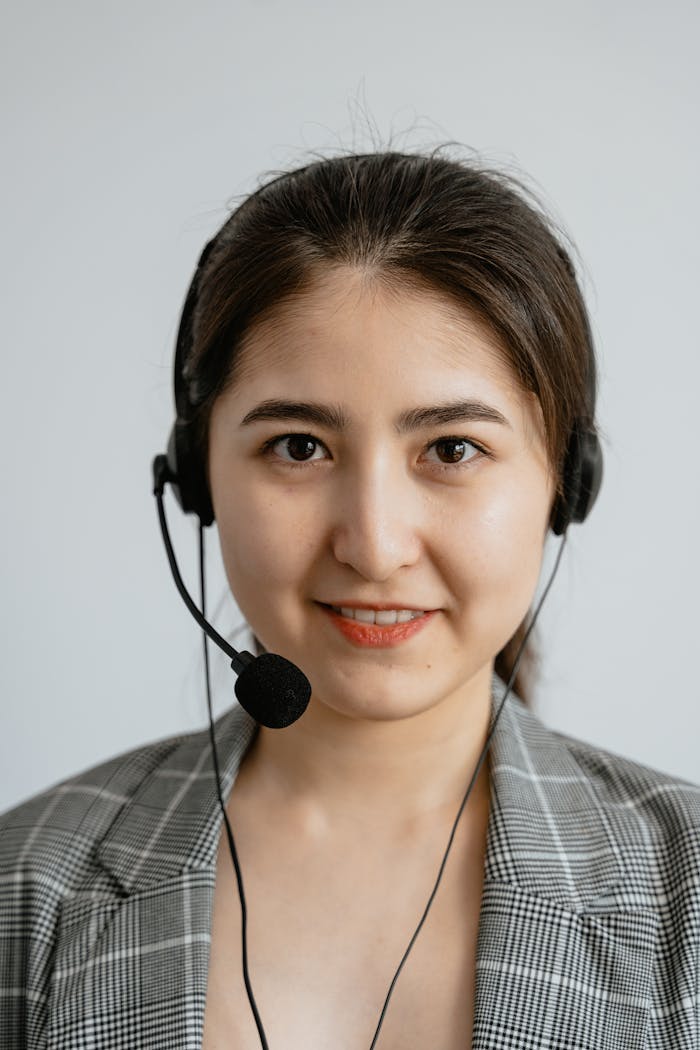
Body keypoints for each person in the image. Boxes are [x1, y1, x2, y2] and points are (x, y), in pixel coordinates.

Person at [1, 150, 698, 1050]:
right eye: (298, 447)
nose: (372, 547)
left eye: (451, 449)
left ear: (565, 483)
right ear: (196, 477)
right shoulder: (25, 895)